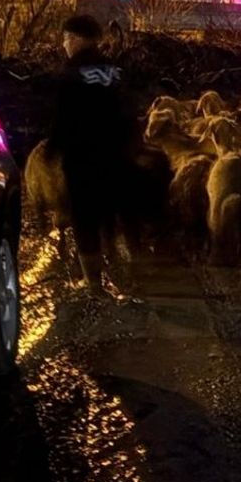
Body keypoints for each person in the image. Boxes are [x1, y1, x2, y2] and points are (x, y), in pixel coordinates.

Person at [49, 15, 137, 294]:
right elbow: (129, 110)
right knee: (110, 212)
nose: (64, 44)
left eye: (65, 39)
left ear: (75, 38)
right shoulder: (115, 71)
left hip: (82, 158)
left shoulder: (69, 73)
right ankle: (120, 268)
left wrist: (54, 150)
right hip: (116, 154)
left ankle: (94, 284)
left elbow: (62, 118)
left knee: (84, 218)